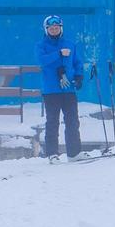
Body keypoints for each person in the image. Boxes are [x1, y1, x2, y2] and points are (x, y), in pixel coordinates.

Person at [37, 15, 84, 159]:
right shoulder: (41, 46)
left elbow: (77, 62)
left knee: (72, 121)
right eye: (51, 28)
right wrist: (58, 54)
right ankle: (52, 154)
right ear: (46, 30)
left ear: (61, 29)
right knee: (52, 122)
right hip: (51, 90)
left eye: (56, 28)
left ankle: (74, 153)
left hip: (68, 89)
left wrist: (78, 76)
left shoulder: (70, 44)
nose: (54, 30)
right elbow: (42, 61)